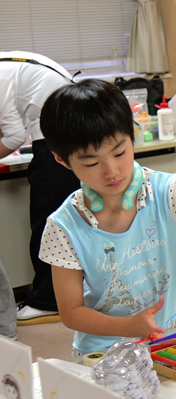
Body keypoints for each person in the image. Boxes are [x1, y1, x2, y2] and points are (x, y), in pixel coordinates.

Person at [36, 79, 176, 358]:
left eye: (119, 152)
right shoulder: (63, 226)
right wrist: (129, 326)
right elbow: (71, 313)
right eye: (91, 163)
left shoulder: (170, 191)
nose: (112, 171)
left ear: (133, 136)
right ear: (61, 160)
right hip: (104, 354)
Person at [0, 51, 81, 325]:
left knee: (48, 222)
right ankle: (65, 294)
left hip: (57, 129)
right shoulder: (5, 66)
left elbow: (12, 136)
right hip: (66, 123)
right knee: (64, 220)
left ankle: (47, 301)